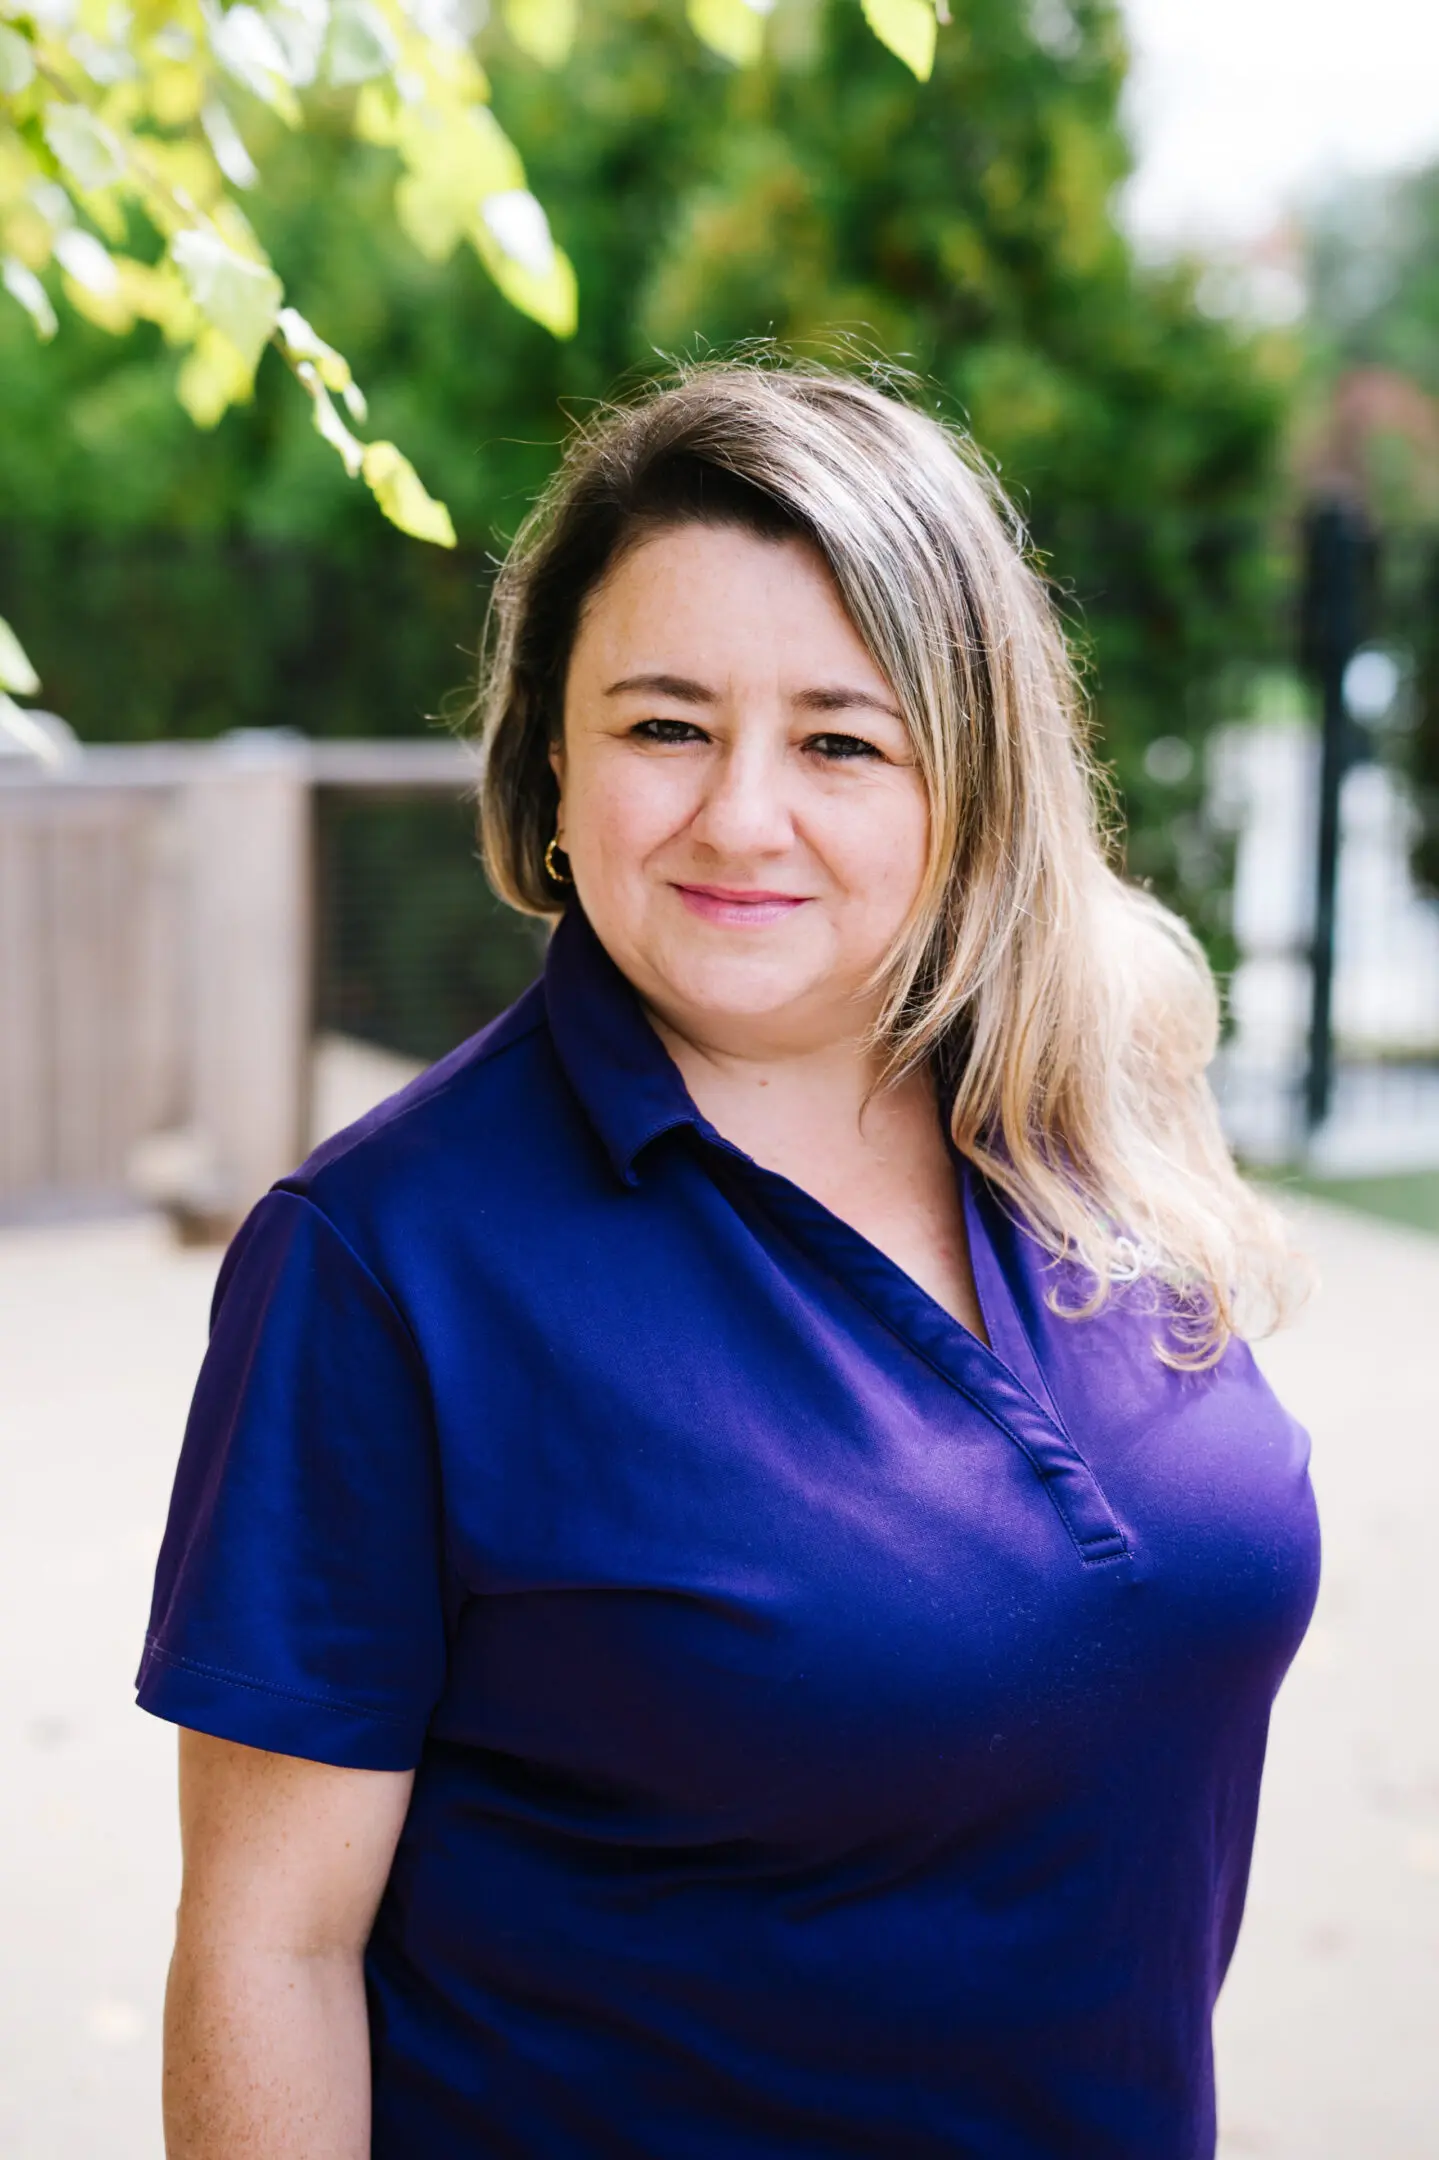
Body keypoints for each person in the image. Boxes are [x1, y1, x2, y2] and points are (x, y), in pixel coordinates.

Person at [138, 360, 1320, 2160]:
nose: (741, 815)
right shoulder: (384, 1266)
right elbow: (268, 1946)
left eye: (841, 739)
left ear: (972, 778)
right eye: (664, 726)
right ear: (550, 759)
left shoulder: (1100, 1101)